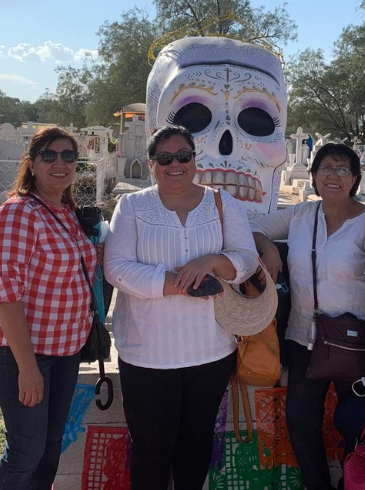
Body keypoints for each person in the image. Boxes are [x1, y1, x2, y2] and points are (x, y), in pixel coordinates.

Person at [104, 126, 259, 490]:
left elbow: (247, 260)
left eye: (184, 156)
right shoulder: (132, 206)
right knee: (151, 449)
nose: (176, 164)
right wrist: (181, 285)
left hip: (211, 350)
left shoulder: (221, 202)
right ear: (151, 164)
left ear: (194, 159)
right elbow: (117, 268)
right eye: (165, 158)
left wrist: (211, 261)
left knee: (196, 444)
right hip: (147, 354)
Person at [250, 143, 365, 490]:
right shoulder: (300, 216)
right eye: (325, 168)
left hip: (355, 343)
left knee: (357, 425)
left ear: (355, 177)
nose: (333, 176)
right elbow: (248, 226)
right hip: (303, 339)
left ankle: (353, 485)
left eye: (342, 169)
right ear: (313, 176)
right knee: (300, 422)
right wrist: (267, 247)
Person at [0, 128, 96, 490]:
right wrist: (28, 369)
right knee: (25, 453)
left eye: (68, 156)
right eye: (49, 156)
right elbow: (6, 293)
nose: (60, 163)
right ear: (32, 164)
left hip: (64, 351)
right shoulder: (19, 213)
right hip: (25, 355)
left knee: (49, 449)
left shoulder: (65, 212)